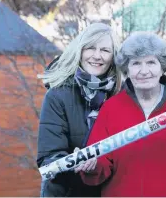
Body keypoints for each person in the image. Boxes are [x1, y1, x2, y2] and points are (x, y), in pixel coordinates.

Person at [77, 32, 166, 197]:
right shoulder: (111, 108)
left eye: (150, 62)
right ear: (127, 69)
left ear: (162, 67)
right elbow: (99, 170)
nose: (144, 71)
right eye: (136, 64)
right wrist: (93, 165)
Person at [36, 22, 122, 197]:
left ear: (113, 57)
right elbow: (48, 157)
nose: (97, 56)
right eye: (90, 48)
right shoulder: (58, 95)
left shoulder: (121, 96)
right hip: (68, 192)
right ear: (80, 51)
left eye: (105, 50)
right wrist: (73, 161)